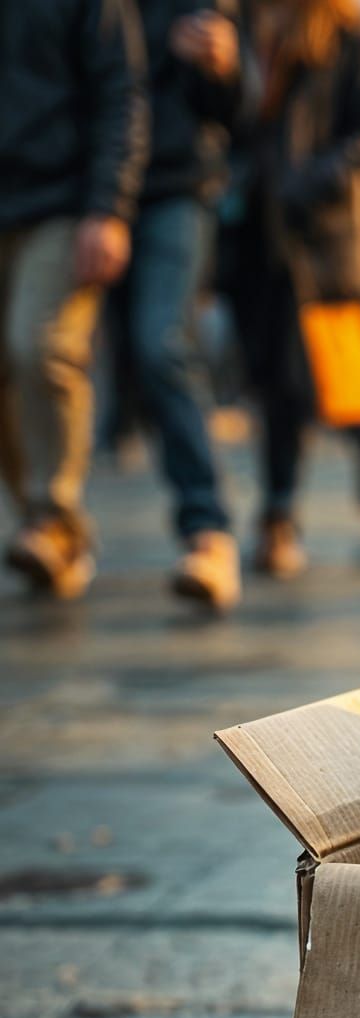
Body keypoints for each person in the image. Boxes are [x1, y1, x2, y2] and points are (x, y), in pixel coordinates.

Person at [222, 0, 360, 579]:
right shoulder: (234, 26)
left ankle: (280, 511)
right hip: (251, 234)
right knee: (274, 380)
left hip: (321, 233)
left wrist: (318, 176)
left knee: (303, 379)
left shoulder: (349, 35)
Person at [0, 0, 147, 601]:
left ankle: (53, 515)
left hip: (61, 203)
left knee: (40, 346)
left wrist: (108, 206)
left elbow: (121, 94)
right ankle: (40, 526)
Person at [121, 0, 249, 610]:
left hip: (169, 185)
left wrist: (223, 67)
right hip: (57, 186)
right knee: (36, 354)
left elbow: (238, 112)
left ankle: (208, 528)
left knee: (160, 344)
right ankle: (53, 519)